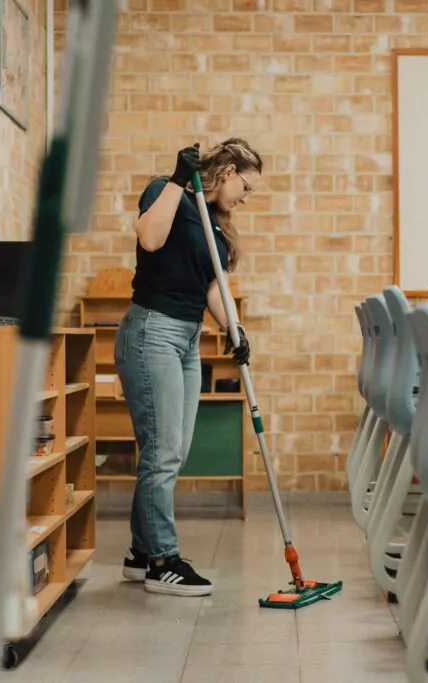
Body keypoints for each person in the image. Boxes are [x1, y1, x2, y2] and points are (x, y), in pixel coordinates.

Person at [114, 138, 262, 596]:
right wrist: (179, 178)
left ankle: (141, 552)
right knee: (162, 451)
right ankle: (162, 560)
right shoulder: (167, 191)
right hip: (151, 331)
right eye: (246, 187)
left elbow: (212, 287)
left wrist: (234, 331)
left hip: (187, 338)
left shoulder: (215, 224)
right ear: (230, 169)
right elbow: (149, 237)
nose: (244, 198)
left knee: (169, 450)